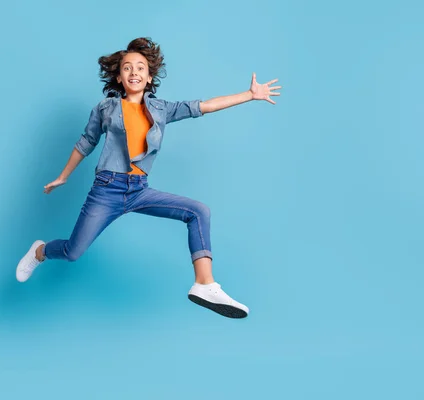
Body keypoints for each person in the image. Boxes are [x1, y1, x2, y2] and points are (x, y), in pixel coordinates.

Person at [16, 37, 281, 319]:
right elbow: (86, 142)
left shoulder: (162, 110)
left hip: (139, 190)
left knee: (198, 211)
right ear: (119, 77)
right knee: (72, 252)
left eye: (140, 68)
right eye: (127, 68)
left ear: (149, 76)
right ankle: (40, 251)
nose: (134, 72)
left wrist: (249, 95)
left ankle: (205, 283)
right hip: (106, 190)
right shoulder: (105, 108)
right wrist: (63, 176)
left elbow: (205, 106)